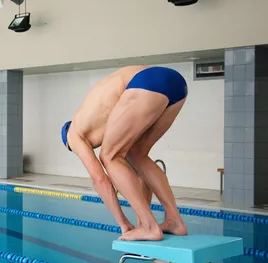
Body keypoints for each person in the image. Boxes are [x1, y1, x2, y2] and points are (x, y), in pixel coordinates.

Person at [61, 65, 189, 241]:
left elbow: (100, 180)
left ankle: (150, 227)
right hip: (175, 83)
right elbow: (139, 178)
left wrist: (123, 223)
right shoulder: (96, 118)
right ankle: (175, 221)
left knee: (109, 156)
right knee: (137, 155)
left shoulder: (73, 133)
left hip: (145, 82)